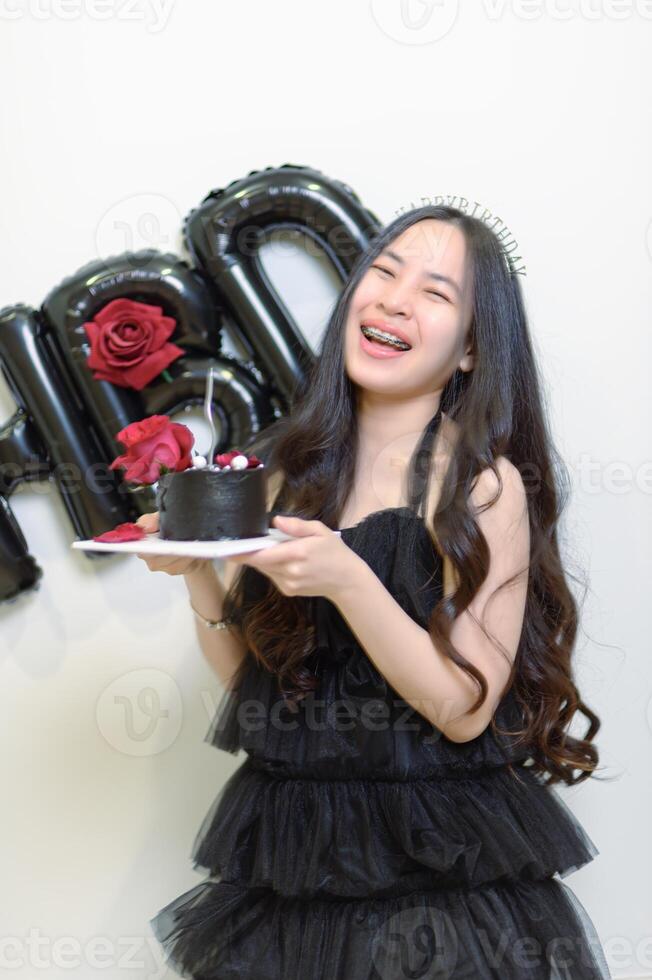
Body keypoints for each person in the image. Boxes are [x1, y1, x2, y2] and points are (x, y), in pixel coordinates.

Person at [139, 205, 612, 978]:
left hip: (436, 865)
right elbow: (255, 689)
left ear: (469, 350)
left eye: (434, 292)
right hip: (295, 856)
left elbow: (463, 711)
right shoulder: (287, 474)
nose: (393, 299)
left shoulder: (482, 486)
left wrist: (351, 581)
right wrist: (194, 568)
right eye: (383, 273)